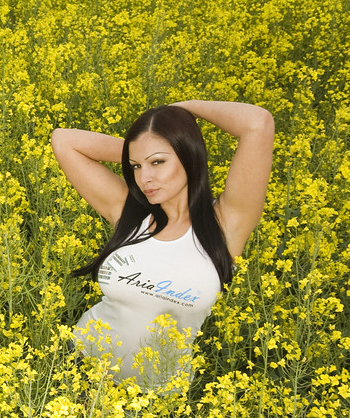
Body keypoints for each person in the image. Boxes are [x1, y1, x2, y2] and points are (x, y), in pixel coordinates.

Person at [51, 100, 274, 390]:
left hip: (154, 397)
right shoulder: (128, 211)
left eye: (158, 162)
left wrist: (180, 109)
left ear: (188, 154)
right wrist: (144, 149)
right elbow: (64, 140)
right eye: (136, 166)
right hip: (80, 367)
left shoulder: (226, 225)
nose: (144, 178)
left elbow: (259, 124)